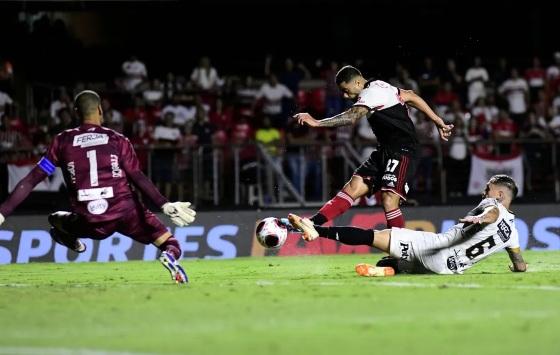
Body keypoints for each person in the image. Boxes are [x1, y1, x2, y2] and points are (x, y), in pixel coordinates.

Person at [0, 90, 196, 284]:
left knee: (54, 219)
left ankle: (69, 238)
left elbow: (31, 179)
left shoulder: (61, 141)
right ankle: (169, 257)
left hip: (90, 220)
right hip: (128, 213)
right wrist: (164, 204)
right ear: (100, 110)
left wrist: (2, 213)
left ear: (76, 112)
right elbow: (137, 176)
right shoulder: (118, 139)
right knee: (171, 244)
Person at [292, 65, 453, 229]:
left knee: (389, 199)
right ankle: (311, 224)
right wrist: (437, 120)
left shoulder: (370, 93)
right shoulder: (379, 85)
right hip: (385, 150)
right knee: (353, 187)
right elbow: (410, 96)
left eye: (346, 90)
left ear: (357, 82)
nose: (346, 96)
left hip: (403, 149)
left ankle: (401, 249)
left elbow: (351, 117)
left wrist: (317, 122)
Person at [288, 175, 527, 276]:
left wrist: (480, 218)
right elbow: (520, 265)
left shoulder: (491, 204)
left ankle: (315, 230)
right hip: (446, 269)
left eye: (488, 187)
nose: (484, 191)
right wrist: (517, 268)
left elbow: (492, 212)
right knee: (388, 262)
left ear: (498, 193)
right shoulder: (513, 234)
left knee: (373, 236)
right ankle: (389, 270)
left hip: (433, 248)